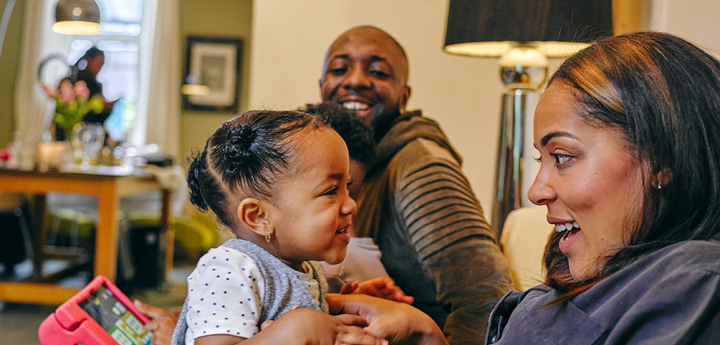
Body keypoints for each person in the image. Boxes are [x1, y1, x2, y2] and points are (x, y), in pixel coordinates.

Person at [334, 31, 720, 344]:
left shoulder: (695, 288)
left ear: (662, 159)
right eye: (542, 159)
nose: (536, 192)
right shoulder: (602, 271)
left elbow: (476, 294)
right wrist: (428, 337)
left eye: (563, 156)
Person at [320, 25, 511, 343]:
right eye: (340, 69)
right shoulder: (353, 165)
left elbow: (484, 299)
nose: (354, 80)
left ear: (404, 97)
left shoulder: (421, 167)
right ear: (322, 87)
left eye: (379, 72)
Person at [175, 109, 409, 345]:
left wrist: (343, 309)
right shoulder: (229, 269)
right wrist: (299, 328)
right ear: (258, 217)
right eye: (330, 191)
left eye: (346, 186)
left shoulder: (308, 269)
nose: (351, 205)